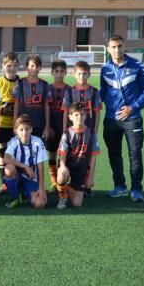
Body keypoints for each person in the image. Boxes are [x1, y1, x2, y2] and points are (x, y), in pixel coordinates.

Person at [100, 34, 144, 202]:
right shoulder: (105, 68)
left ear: (125, 46)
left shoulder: (137, 66)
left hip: (132, 118)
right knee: (114, 154)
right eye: (113, 47)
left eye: (119, 46)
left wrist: (133, 108)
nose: (117, 50)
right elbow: (103, 91)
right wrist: (89, 103)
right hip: (111, 119)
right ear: (108, 49)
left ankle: (136, 189)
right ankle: (120, 186)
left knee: (135, 154)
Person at [61, 60, 101, 197]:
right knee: (70, 156)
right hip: (73, 132)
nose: (82, 77)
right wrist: (64, 129)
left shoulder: (94, 92)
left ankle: (85, 185)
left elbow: (97, 112)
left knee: (87, 157)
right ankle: (64, 185)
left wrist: (95, 131)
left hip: (88, 131)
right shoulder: (70, 91)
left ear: (89, 74)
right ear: (74, 74)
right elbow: (66, 112)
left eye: (85, 74)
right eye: (79, 74)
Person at [56, 102, 100, 210]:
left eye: (82, 114)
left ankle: (70, 187)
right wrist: (62, 166)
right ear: (70, 117)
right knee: (62, 173)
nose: (79, 117)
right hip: (68, 166)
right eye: (76, 114)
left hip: (81, 169)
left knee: (77, 204)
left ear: (85, 116)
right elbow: (62, 154)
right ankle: (62, 196)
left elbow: (94, 157)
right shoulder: (67, 133)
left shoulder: (92, 134)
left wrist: (90, 177)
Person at [3, 114, 48, 209]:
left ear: (31, 129)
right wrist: (25, 166)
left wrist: (41, 188)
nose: (24, 133)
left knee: (40, 204)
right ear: (16, 131)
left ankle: (24, 195)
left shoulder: (38, 142)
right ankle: (14, 197)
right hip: (17, 177)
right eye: (21, 130)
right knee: (9, 169)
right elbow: (6, 159)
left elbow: (40, 166)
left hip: (31, 179)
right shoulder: (14, 141)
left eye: (27, 129)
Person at [0, 52, 20, 194]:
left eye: (15, 65)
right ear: (3, 66)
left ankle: (15, 178)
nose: (12, 68)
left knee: (15, 151)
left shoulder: (20, 82)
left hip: (16, 125)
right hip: (2, 123)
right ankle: (4, 182)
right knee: (2, 151)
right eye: (9, 65)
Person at [44, 60, 70, 192]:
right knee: (52, 152)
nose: (59, 74)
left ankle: (63, 180)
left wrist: (67, 129)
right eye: (56, 71)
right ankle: (54, 181)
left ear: (65, 72)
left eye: (62, 71)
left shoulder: (69, 89)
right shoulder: (48, 88)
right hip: (52, 124)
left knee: (64, 153)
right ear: (52, 72)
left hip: (65, 125)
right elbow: (46, 108)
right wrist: (47, 127)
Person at [12, 54, 50, 139]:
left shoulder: (45, 84)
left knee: (38, 150)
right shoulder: (19, 83)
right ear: (26, 67)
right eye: (32, 66)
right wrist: (15, 124)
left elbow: (46, 107)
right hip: (22, 126)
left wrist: (47, 126)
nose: (34, 69)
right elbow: (16, 104)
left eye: (37, 66)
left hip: (39, 124)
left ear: (40, 68)